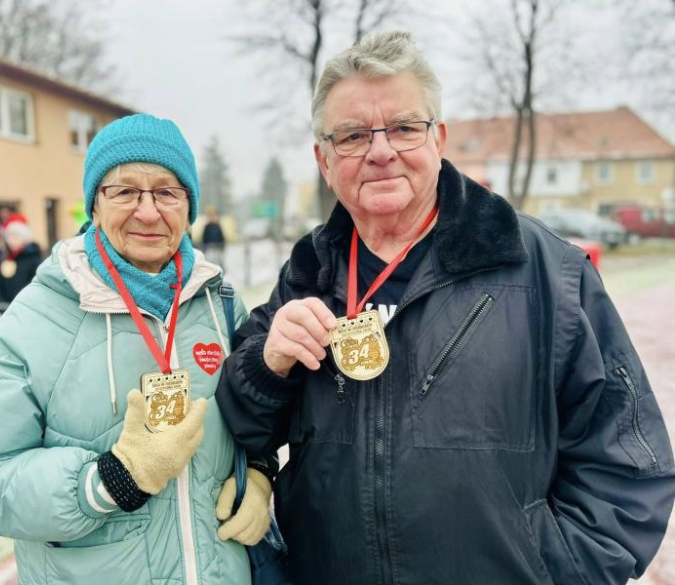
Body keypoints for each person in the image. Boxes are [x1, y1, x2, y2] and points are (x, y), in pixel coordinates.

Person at [216, 31, 675, 585]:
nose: (380, 150)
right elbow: (243, 424)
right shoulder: (308, 273)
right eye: (354, 135)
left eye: (405, 128)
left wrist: (554, 571)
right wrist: (269, 365)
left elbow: (629, 465)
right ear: (324, 159)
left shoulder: (546, 271)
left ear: (439, 140)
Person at [0, 113, 273, 585]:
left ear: (189, 206)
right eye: (124, 191)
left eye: (166, 192)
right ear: (94, 206)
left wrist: (259, 473)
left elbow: (254, 413)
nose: (148, 211)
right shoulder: (35, 318)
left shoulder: (219, 302)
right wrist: (108, 481)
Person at [0, 220, 42, 303]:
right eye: (9, 236)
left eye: (15, 236)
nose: (11, 240)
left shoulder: (33, 259)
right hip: (6, 309)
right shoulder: (4, 259)